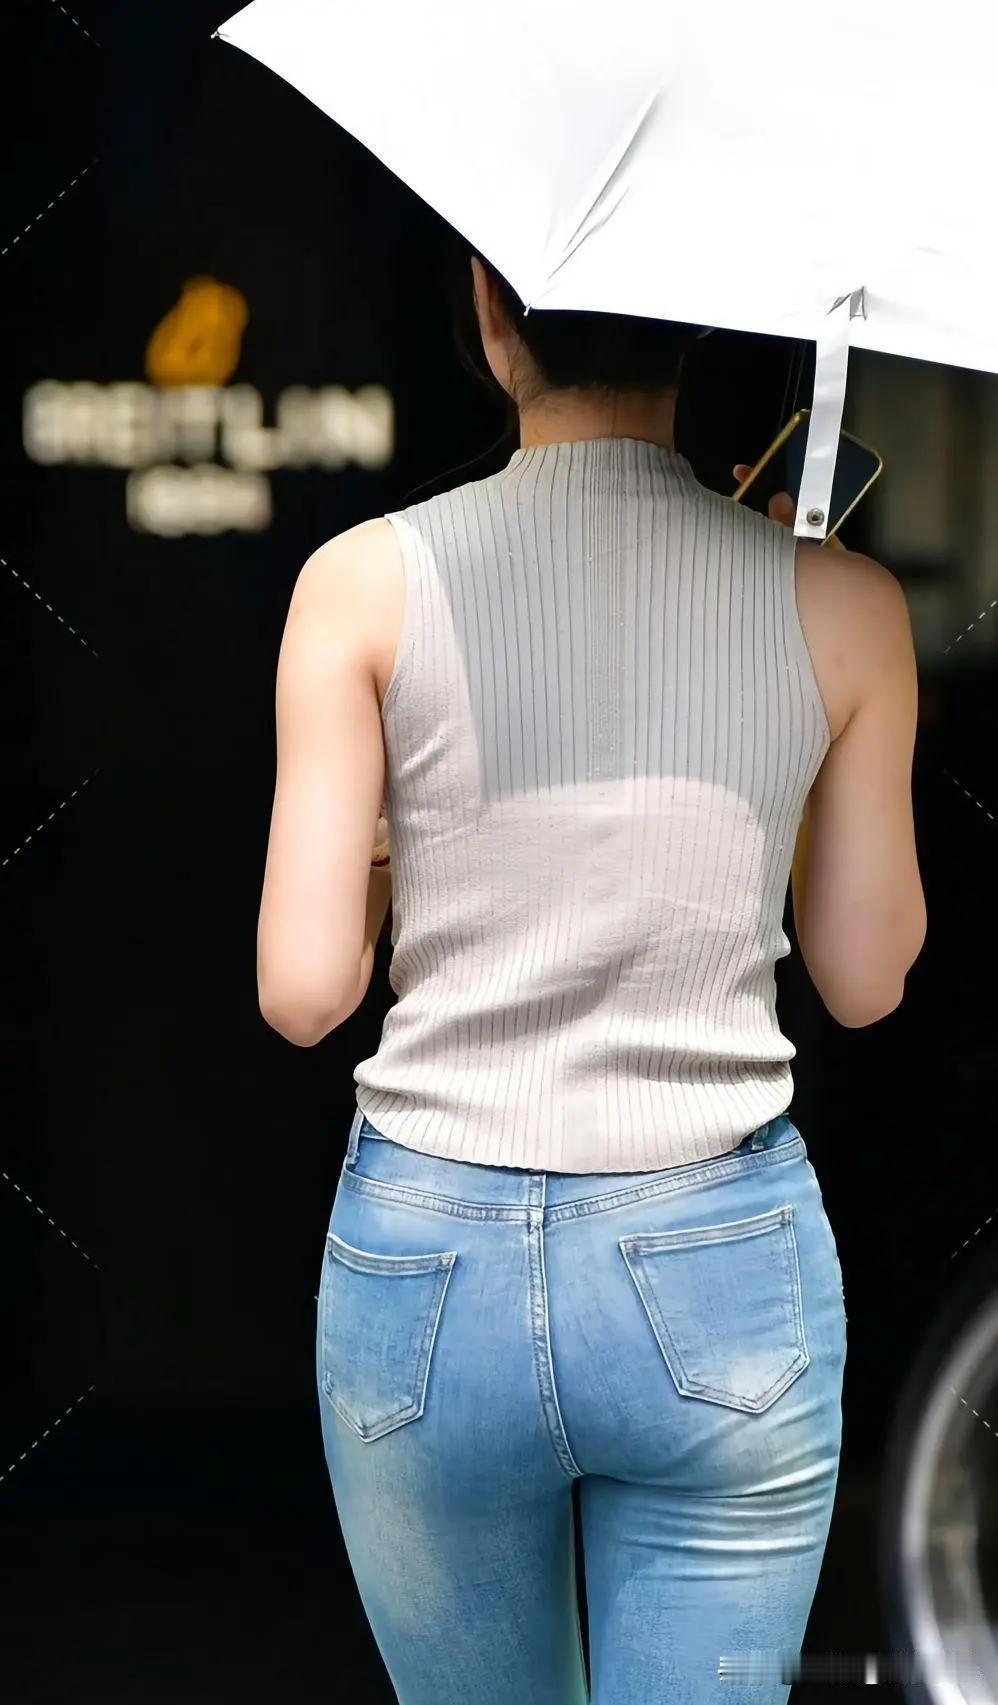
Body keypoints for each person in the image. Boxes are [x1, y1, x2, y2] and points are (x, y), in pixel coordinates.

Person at [257, 240, 926, 1703]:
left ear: (489, 310)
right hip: (717, 1257)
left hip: (426, 1266)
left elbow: (306, 992)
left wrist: (398, 849)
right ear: (697, 327)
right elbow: (864, 977)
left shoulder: (357, 585)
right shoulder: (846, 607)